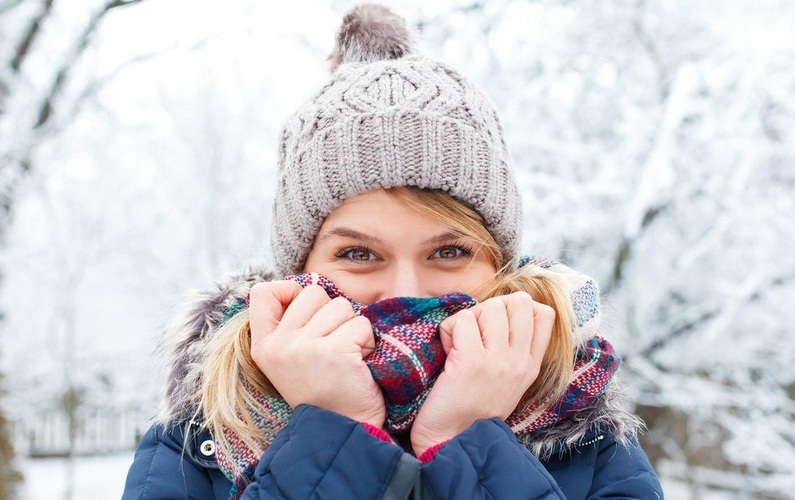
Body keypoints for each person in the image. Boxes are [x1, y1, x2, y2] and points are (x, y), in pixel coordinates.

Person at [123, 4, 664, 499]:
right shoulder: (200, 439)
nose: (406, 291)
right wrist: (337, 432)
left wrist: (465, 440)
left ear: (498, 264)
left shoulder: (588, 440)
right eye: (359, 254)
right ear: (300, 270)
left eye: (449, 251)